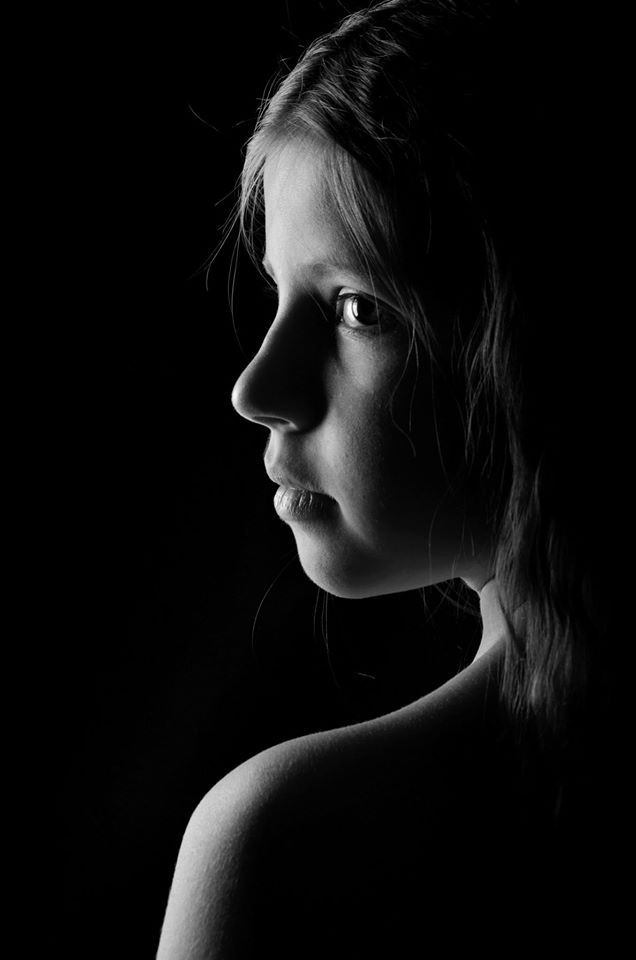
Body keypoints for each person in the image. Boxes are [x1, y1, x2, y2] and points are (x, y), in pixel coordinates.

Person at [157, 2, 626, 956]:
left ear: (530, 346)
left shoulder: (277, 846)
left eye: (356, 308)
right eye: (281, 291)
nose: (257, 389)